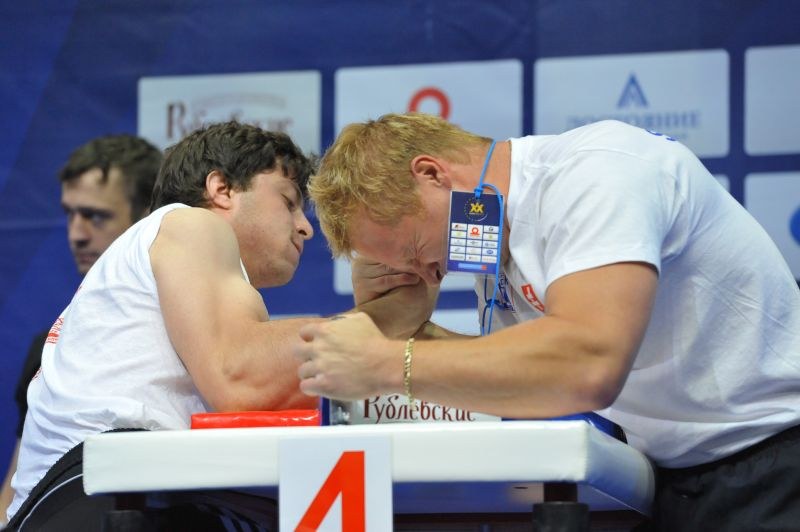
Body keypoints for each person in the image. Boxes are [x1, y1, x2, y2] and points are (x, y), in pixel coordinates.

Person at [296, 112, 800, 531]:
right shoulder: (495, 239)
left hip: (773, 461)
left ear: (432, 174)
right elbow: (525, 386)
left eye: (413, 249)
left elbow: (587, 363)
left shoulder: (597, 172)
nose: (430, 274)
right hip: (672, 481)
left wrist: (387, 362)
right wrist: (411, 331)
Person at [6, 122, 377, 530]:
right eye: (288, 202)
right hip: (95, 499)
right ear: (222, 189)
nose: (305, 226)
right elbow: (238, 377)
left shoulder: (164, 270)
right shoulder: (190, 223)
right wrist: (383, 324)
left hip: (97, 495)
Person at [0, 135, 162, 526]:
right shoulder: (51, 347)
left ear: (147, 217)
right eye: (70, 214)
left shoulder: (187, 336)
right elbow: (16, 493)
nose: (77, 233)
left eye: (95, 216)